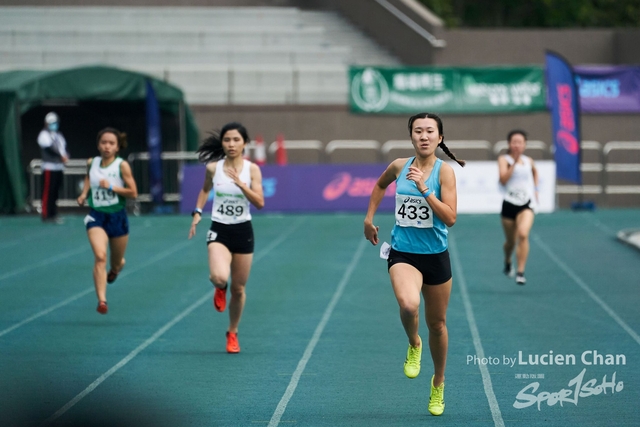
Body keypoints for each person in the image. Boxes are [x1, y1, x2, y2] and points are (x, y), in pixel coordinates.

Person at [364, 112, 465, 417]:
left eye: (429, 131)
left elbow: (450, 218)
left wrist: (424, 189)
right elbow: (380, 186)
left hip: (435, 255)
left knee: (438, 324)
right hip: (403, 252)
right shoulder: (399, 166)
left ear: (440, 138)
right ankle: (413, 342)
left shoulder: (444, 173)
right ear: (411, 136)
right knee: (409, 306)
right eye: (418, 131)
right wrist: (369, 218)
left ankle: (438, 382)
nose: (423, 136)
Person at [188, 122, 264, 354]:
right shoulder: (213, 168)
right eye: (227, 140)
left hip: (243, 231)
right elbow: (204, 190)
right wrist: (198, 212)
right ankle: (220, 286)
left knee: (239, 290)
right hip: (219, 228)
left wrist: (241, 184)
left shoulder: (252, 170)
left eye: (236, 140)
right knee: (219, 276)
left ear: (245, 143)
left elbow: (260, 203)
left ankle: (232, 332)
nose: (231, 144)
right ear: (222, 142)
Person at [77, 128, 138, 314]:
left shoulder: (122, 166)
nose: (107, 146)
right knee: (100, 256)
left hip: (117, 217)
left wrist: (112, 187)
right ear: (98, 145)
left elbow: (133, 192)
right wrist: (84, 193)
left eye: (111, 143)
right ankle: (102, 301)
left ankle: (116, 269)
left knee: (116, 261)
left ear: (117, 147)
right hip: (97, 215)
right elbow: (89, 177)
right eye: (104, 142)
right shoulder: (92, 162)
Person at [497, 130, 539, 285]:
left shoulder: (529, 161)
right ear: (509, 144)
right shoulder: (504, 159)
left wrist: (536, 189)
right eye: (514, 142)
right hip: (509, 203)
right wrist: (514, 163)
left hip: (526, 204)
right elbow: (503, 180)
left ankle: (520, 272)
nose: (517, 145)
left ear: (525, 144)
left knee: (523, 234)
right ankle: (508, 260)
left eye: (520, 142)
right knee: (510, 242)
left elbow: (535, 173)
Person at [38, 112, 68, 223]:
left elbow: (63, 148)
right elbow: (49, 149)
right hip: (49, 167)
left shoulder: (59, 135)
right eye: (51, 123)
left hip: (58, 167)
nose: (53, 125)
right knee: (48, 191)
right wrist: (60, 157)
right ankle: (46, 214)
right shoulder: (43, 135)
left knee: (55, 191)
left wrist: (65, 156)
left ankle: (53, 213)